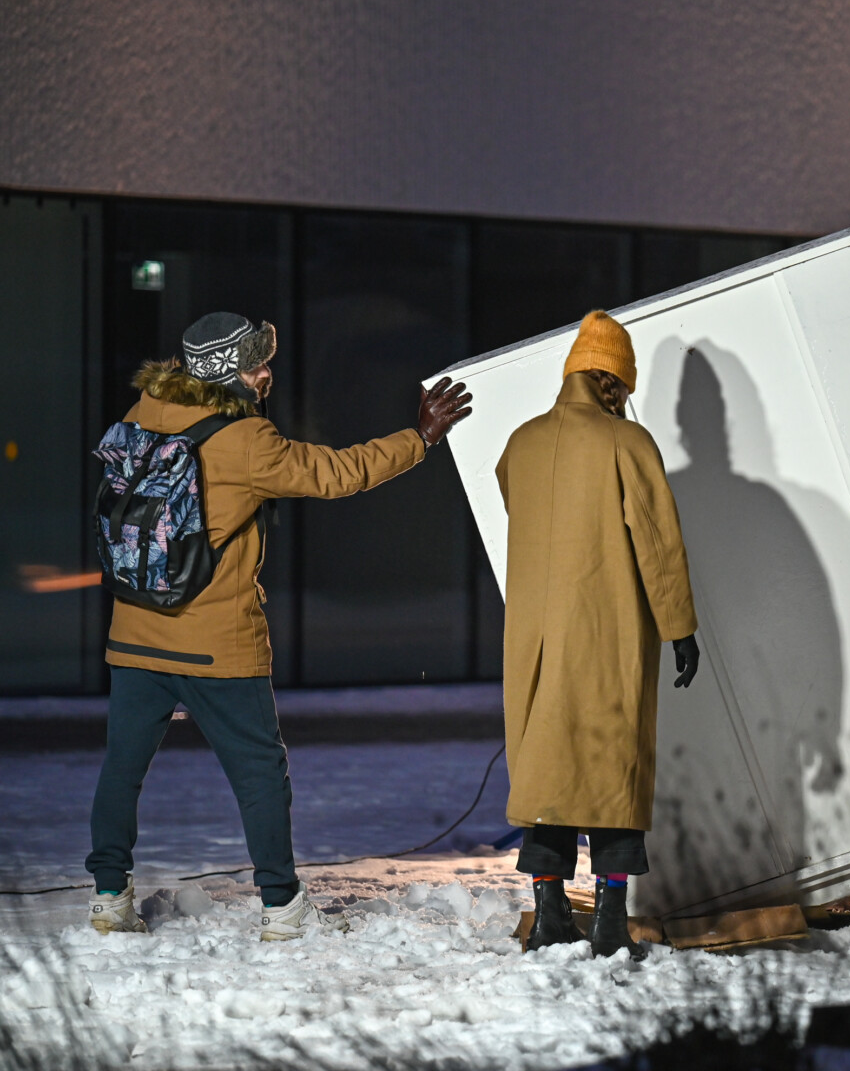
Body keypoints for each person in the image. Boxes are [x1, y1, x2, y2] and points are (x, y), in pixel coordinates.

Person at [87, 311, 471, 940]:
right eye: (254, 364)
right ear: (225, 372)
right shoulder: (243, 439)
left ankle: (108, 897)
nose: (267, 373)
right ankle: (282, 908)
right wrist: (420, 438)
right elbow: (336, 473)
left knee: (122, 770)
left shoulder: (140, 418)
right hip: (216, 645)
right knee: (261, 775)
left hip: (134, 633)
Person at [497, 310, 700, 960]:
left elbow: (515, 502)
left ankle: (550, 911)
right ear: (613, 381)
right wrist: (679, 628)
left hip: (533, 639)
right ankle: (612, 915)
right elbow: (659, 545)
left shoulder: (520, 442)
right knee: (614, 774)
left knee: (545, 779)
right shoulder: (627, 444)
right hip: (607, 633)